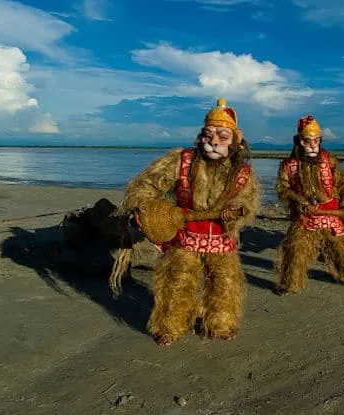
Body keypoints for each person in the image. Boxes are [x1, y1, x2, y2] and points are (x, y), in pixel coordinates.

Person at [109, 98, 260, 345]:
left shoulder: (242, 171)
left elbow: (248, 201)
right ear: (201, 135)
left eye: (222, 136)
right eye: (209, 134)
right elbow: (145, 185)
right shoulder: (182, 159)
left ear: (235, 140)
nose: (213, 142)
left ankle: (220, 325)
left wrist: (237, 211)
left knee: (225, 283)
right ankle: (169, 327)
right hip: (184, 235)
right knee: (177, 282)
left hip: (221, 238)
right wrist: (149, 210)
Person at [274, 115, 344, 294]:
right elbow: (283, 189)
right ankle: (289, 284)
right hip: (306, 216)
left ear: (320, 141)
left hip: (332, 214)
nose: (312, 145)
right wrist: (299, 201)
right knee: (295, 251)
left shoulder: (329, 160)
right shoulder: (289, 165)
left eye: (316, 141)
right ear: (298, 141)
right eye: (307, 141)